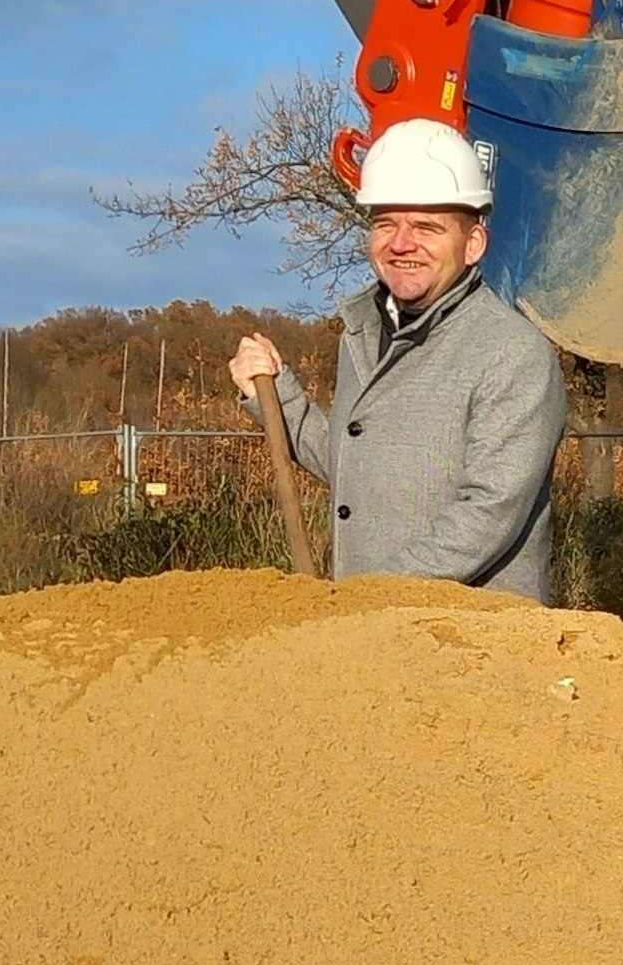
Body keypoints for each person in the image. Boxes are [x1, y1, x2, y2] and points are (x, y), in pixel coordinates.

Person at [228, 118, 566, 602]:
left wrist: (371, 595)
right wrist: (277, 394)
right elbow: (356, 465)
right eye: (386, 223)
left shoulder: (513, 353)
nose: (402, 243)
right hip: (372, 625)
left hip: (469, 632)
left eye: (427, 227)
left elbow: (489, 510)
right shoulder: (363, 335)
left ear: (473, 244)